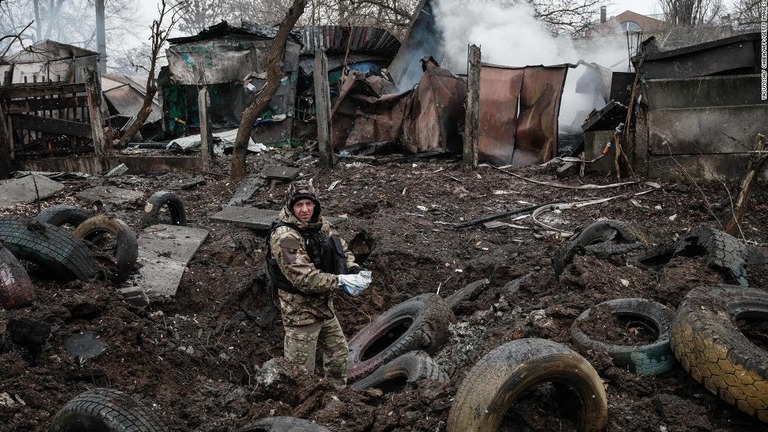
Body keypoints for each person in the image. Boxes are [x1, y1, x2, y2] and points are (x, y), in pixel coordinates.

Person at [266, 179, 372, 387]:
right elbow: (304, 278)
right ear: (290, 206)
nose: (305, 210)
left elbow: (340, 248)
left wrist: (353, 269)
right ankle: (300, 411)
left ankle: (336, 395)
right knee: (300, 373)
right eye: (299, 205)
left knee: (338, 353)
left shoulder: (320, 225)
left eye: (309, 204)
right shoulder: (285, 237)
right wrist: (340, 281)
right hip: (300, 315)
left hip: (323, 308)